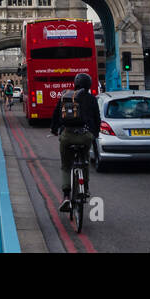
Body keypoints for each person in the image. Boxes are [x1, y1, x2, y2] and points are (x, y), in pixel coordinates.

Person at [49, 72, 99, 214]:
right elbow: (97, 119)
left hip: (68, 136)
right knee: (85, 162)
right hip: (85, 136)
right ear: (89, 85)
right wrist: (94, 134)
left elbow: (56, 116)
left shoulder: (66, 96)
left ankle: (66, 196)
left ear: (75, 84)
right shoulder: (91, 99)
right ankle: (85, 189)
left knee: (66, 166)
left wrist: (54, 130)